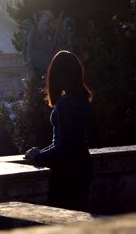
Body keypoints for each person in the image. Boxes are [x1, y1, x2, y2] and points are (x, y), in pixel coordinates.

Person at [25, 50, 95, 211]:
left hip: (68, 172)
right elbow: (66, 142)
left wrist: (38, 156)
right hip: (83, 167)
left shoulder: (65, 104)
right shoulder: (82, 100)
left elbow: (62, 147)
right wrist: (41, 152)